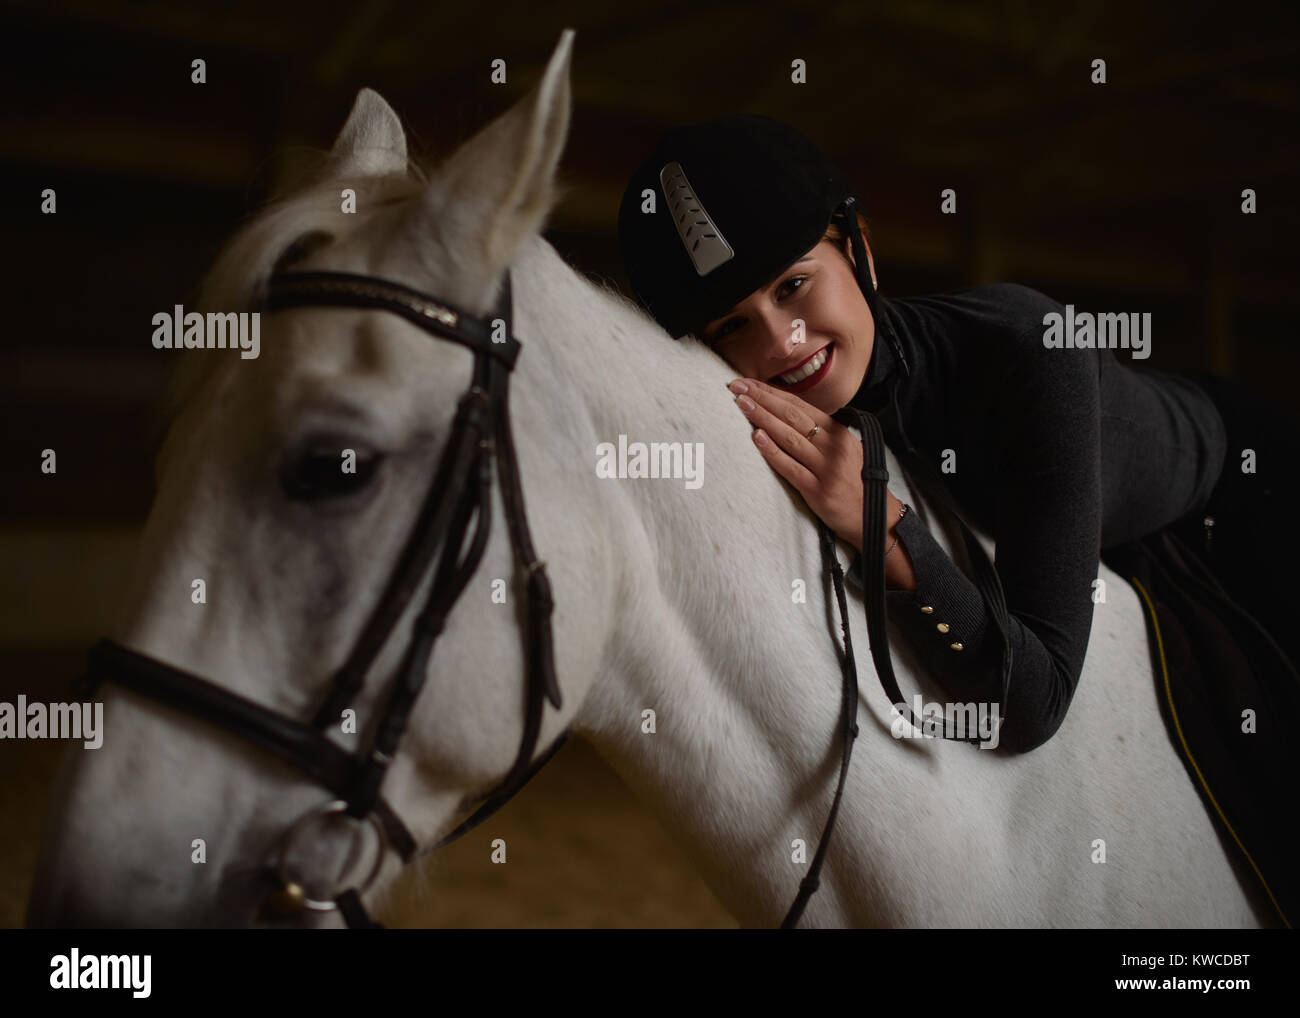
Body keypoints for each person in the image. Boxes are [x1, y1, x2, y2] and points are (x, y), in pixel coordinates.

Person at [616, 114, 1246, 754]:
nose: (782, 342)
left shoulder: (1033, 349)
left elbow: (1031, 708)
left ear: (860, 251)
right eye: (732, 326)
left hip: (1239, 488)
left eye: (793, 285)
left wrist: (881, 523)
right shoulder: (776, 403)